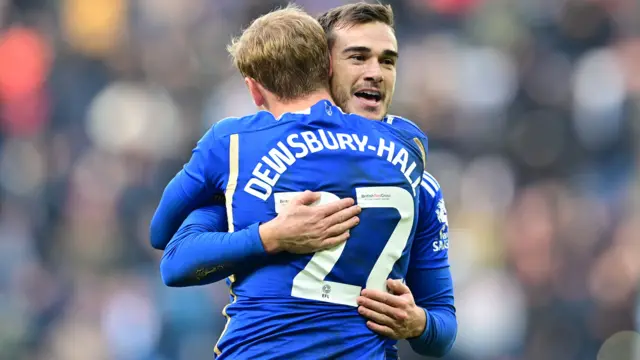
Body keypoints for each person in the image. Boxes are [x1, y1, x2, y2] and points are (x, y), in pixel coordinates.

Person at [152, 3, 456, 359]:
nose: (375, 72)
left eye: (387, 61)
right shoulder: (247, 162)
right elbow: (177, 260)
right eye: (358, 58)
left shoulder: (417, 182)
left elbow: (443, 325)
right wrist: (271, 237)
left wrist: (418, 323)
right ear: (322, 66)